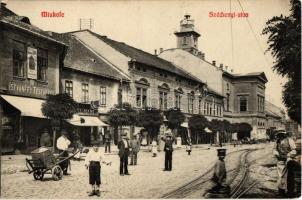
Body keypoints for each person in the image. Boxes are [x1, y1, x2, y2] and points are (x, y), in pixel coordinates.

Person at [273, 131, 296, 197]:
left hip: (288, 160)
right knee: (280, 177)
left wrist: (288, 155)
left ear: (284, 134)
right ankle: (281, 192)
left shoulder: (289, 140)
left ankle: (290, 192)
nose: (280, 136)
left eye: (282, 134)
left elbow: (294, 150)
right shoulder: (277, 142)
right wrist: (276, 153)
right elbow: (274, 149)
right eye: (279, 134)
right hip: (280, 161)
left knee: (289, 177)